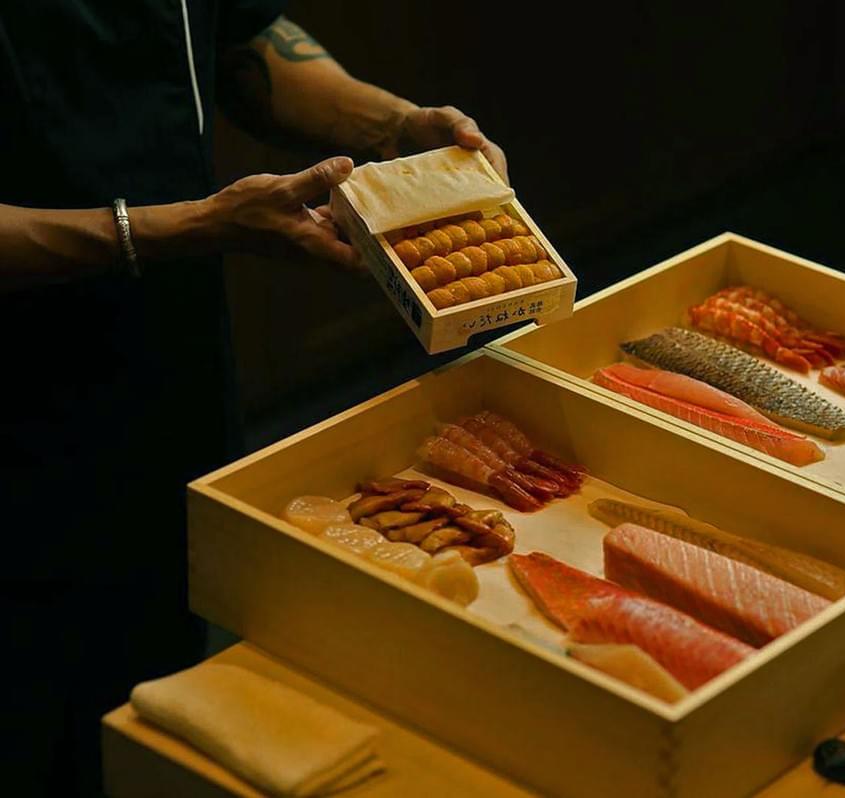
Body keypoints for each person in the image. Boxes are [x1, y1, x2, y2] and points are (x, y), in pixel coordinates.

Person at [0, 4, 507, 795]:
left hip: (167, 350)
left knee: (154, 666)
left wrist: (395, 127)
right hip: (18, 396)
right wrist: (187, 226)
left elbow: (242, 37)